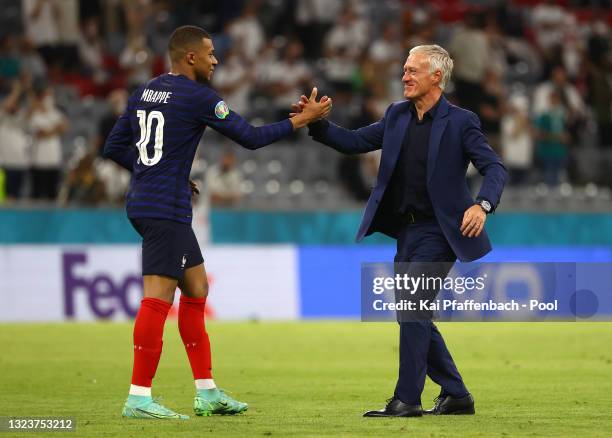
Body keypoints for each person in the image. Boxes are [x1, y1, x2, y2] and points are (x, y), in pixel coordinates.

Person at [103, 25, 331, 420]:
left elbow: (113, 146)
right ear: (190, 57)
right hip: (164, 209)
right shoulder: (197, 96)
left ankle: (207, 392)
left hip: (148, 199)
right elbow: (252, 138)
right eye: (209, 53)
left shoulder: (144, 91)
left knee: (197, 286)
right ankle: (138, 397)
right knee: (157, 300)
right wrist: (300, 121)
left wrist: (156, 171)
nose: (216, 59)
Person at [294, 45, 506, 417]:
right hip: (406, 232)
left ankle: (407, 399)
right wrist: (317, 123)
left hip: (440, 232)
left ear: (436, 76)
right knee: (413, 313)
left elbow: (494, 169)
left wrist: (482, 204)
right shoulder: (396, 115)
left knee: (412, 310)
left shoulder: (461, 121)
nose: (404, 76)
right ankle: (457, 394)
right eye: (404, 69)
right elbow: (356, 142)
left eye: (413, 70)